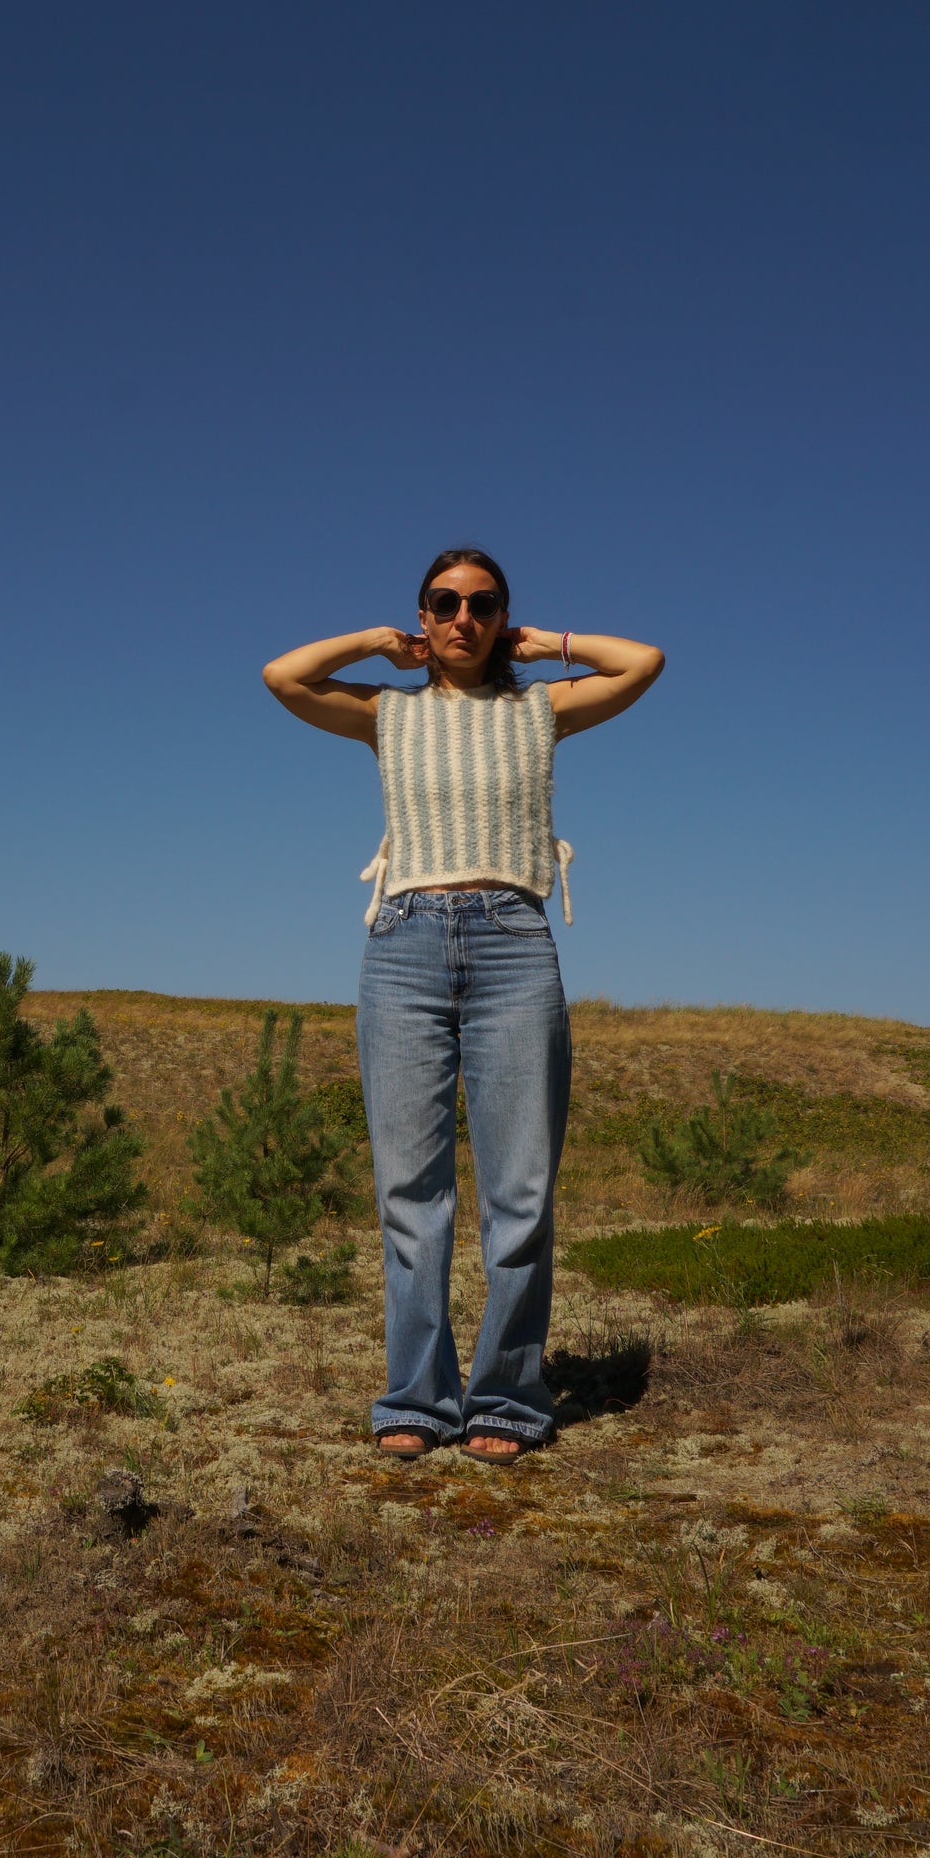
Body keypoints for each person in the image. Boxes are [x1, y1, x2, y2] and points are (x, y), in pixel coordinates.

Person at [262, 549, 663, 1463]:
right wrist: (377, 643)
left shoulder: (539, 709)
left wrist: (547, 643)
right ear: (422, 616)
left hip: (512, 943)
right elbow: (283, 676)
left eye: (482, 604)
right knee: (411, 1193)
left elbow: (642, 662)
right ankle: (416, 1395)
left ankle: (507, 1398)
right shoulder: (387, 712)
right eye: (443, 603)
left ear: (501, 619)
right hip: (402, 945)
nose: (462, 618)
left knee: (519, 1192)